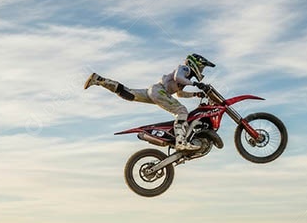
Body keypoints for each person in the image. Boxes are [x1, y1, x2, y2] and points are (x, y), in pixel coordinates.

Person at [84, 53, 215, 151]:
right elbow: (177, 77)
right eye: (201, 67)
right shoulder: (185, 69)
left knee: (129, 94)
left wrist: (195, 94)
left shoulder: (186, 78)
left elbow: (179, 94)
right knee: (182, 111)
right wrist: (196, 84)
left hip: (156, 91)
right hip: (160, 91)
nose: (201, 70)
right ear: (195, 63)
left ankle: (99, 80)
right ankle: (180, 141)